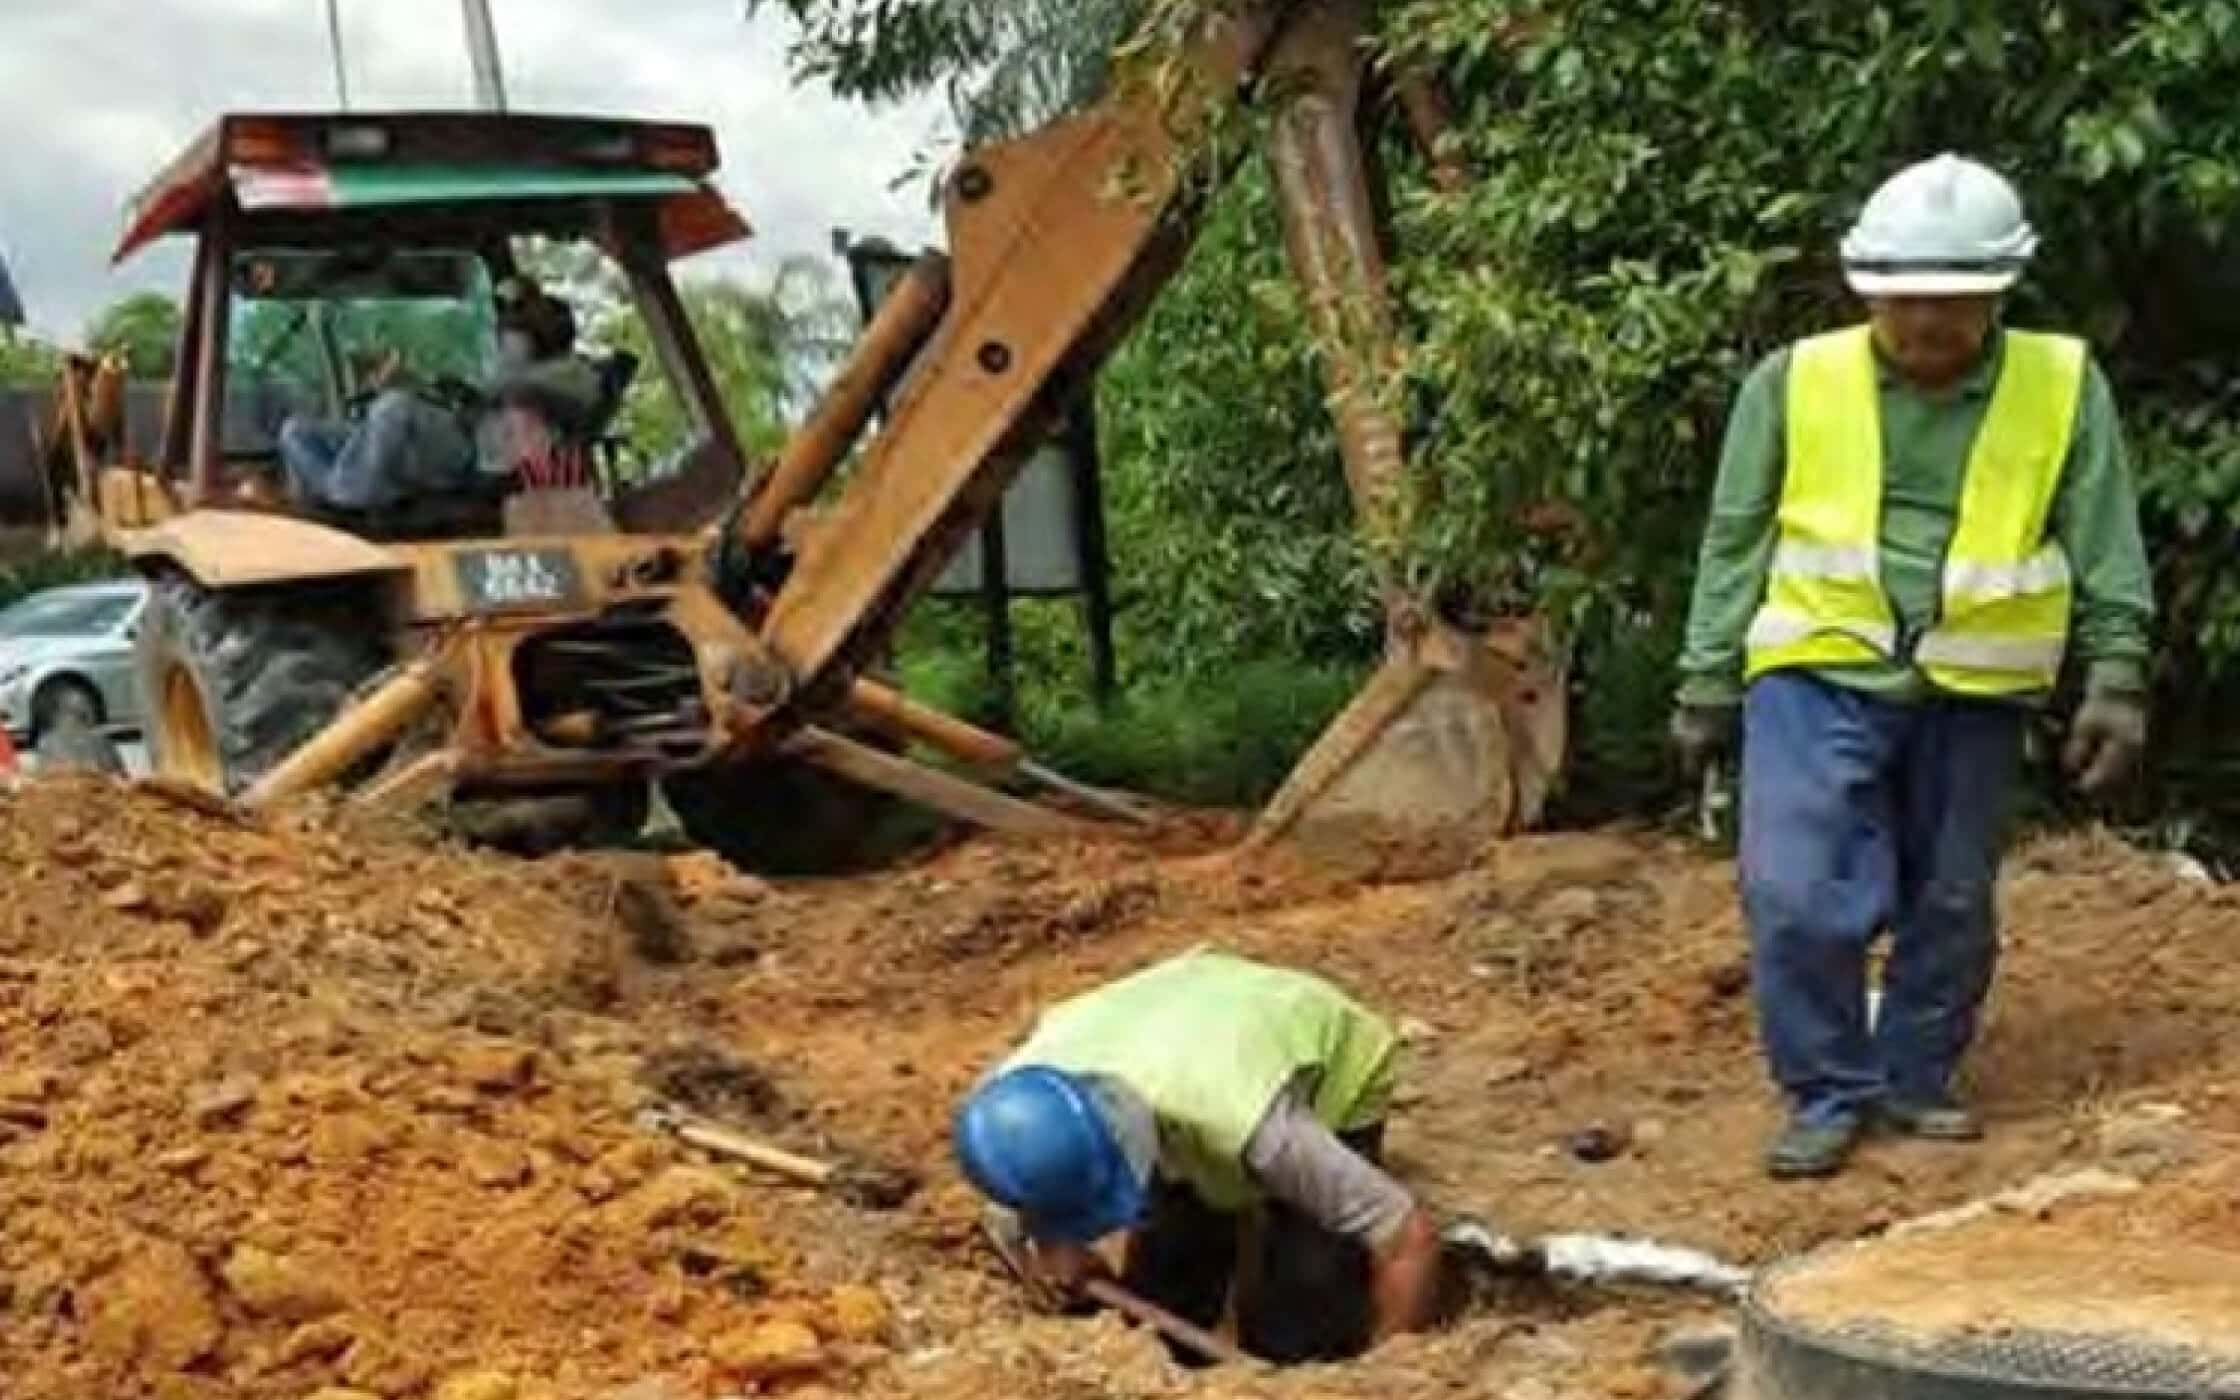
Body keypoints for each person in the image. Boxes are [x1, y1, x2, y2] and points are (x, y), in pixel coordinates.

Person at [1671, 154, 2155, 1179]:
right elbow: (1734, 534)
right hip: (1815, 665)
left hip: (1975, 687)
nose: (1926, 324)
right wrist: (1706, 675)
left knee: (1948, 897)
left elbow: (2103, 533)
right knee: (1794, 890)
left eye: (1952, 304)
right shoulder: (1793, 382)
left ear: (1996, 295)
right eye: (1905, 302)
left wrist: (2115, 674)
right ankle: (1826, 1086)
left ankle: (1912, 1073)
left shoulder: (2060, 384)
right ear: (1867, 291)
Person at [952, 948, 1444, 1364]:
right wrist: (1056, 1245)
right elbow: (1020, 1196)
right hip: (1176, 1025)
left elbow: (1409, 1238)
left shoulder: (1249, 1122)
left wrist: (1388, 1370)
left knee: (1303, 1307)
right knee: (1168, 1284)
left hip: (1316, 1046)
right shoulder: (1013, 1110)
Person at [278, 276, 601, 512]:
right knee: (298, 430)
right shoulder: (508, 368)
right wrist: (422, 384)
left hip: (478, 463)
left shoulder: (573, 373)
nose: (502, 326)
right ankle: (341, 493)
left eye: (512, 315)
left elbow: (509, 387)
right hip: (454, 435)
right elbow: (478, 396)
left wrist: (490, 375)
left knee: (395, 407)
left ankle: (346, 497)